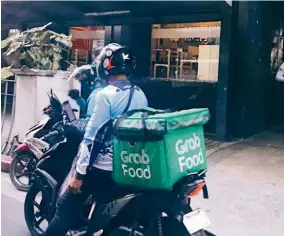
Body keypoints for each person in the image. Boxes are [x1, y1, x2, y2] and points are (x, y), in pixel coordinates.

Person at [45, 43, 148, 235]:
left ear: (106, 65)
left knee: (63, 210)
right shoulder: (140, 94)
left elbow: (91, 138)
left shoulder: (105, 95)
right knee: (103, 215)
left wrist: (79, 175)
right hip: (126, 166)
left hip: (101, 167)